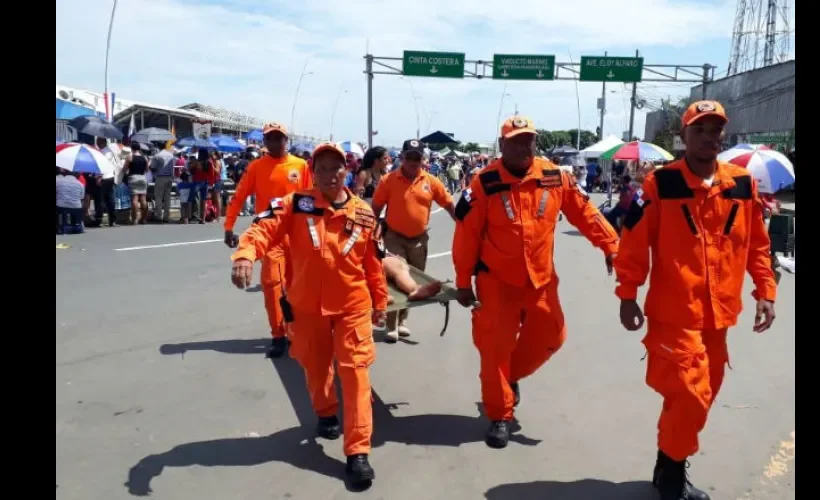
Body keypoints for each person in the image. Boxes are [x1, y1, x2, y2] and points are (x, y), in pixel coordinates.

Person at [614, 100, 777, 500]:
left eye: (715, 129)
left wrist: (765, 290)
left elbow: (757, 243)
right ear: (683, 137)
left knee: (701, 394)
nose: (708, 137)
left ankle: (667, 459)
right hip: (674, 313)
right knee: (690, 393)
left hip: (719, 315)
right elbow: (634, 242)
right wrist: (628, 294)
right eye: (699, 129)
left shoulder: (741, 184)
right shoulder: (659, 184)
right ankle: (672, 473)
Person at [452, 116, 619, 449]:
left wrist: (610, 244)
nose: (523, 146)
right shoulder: (484, 184)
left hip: (540, 279)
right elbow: (466, 236)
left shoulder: (554, 176)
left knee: (552, 334)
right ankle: (500, 415)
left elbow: (584, 212)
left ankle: (509, 377)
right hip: (496, 281)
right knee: (493, 349)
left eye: (528, 140)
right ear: (502, 146)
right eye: (515, 141)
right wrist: (462, 281)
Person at [230, 142, 387, 488]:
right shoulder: (294, 204)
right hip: (307, 307)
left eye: (337, 168)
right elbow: (261, 228)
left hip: (352, 307)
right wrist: (245, 254)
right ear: (312, 173)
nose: (330, 175)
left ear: (347, 171)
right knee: (316, 369)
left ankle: (358, 452)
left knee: (357, 374)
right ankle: (326, 412)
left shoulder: (363, 213)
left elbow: (372, 263)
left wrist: (380, 300)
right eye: (323, 168)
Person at [224, 123, 312, 358]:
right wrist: (228, 226)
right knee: (273, 287)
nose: (275, 142)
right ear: (264, 142)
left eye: (279, 138)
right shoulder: (256, 167)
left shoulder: (300, 166)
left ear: (286, 140)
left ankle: (295, 330)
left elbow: (312, 199)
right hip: (270, 237)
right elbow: (239, 196)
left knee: (297, 288)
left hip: (297, 236)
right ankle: (278, 335)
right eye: (270, 138)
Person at [371, 139, 456, 342]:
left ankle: (402, 321)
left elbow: (449, 204)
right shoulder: (388, 180)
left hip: (419, 239)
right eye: (409, 157)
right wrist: (371, 232)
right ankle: (391, 325)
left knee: (415, 280)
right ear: (402, 158)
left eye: (417, 158)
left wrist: (462, 224)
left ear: (422, 160)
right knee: (395, 279)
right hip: (393, 237)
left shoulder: (431, 181)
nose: (413, 161)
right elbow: (374, 208)